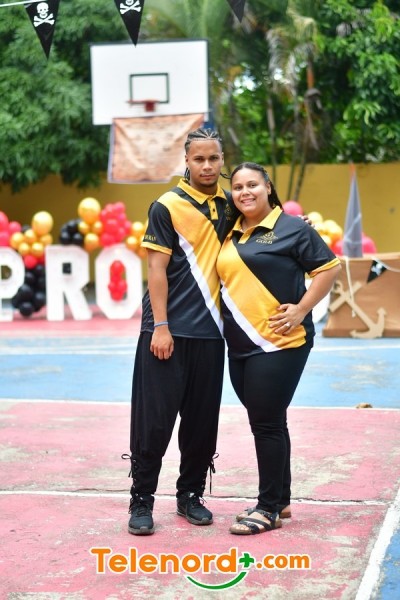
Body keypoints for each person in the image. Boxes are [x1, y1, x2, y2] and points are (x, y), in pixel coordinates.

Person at [124, 128, 239, 535]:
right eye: (199, 159)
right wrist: (161, 326)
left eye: (214, 158)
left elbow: (266, 230)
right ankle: (141, 500)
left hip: (212, 334)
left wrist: (300, 226)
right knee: (154, 422)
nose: (207, 166)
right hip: (167, 332)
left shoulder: (232, 204)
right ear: (186, 162)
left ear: (222, 161)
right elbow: (155, 270)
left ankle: (190, 495)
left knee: (201, 423)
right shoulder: (167, 206)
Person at [216, 162, 341, 535]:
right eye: (238, 187)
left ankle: (268, 507)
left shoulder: (292, 228)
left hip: (281, 341)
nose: (245, 192)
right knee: (269, 420)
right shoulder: (230, 231)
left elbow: (329, 268)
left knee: (266, 423)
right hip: (240, 343)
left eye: (253, 184)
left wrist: (302, 309)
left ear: (268, 187)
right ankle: (280, 500)